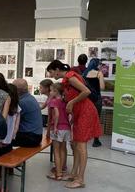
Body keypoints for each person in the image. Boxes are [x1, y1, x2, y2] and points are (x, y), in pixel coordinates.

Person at [46, 60, 101, 189]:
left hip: (85, 112)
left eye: (51, 72)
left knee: (81, 146)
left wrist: (71, 103)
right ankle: (74, 174)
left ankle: (80, 179)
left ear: (57, 69)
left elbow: (86, 91)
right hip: (78, 113)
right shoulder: (66, 79)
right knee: (76, 144)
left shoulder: (70, 77)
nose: (51, 75)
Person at [0, 83, 20, 191]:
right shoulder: (17, 107)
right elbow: (16, 127)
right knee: (4, 163)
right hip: (9, 141)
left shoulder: (1, 106)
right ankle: (4, 187)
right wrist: (12, 137)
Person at [46, 83, 71, 181]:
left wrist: (55, 126)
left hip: (58, 128)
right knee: (63, 149)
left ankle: (58, 173)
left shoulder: (53, 101)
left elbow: (56, 114)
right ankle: (62, 168)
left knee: (56, 151)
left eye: (51, 90)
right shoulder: (65, 101)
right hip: (66, 128)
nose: (50, 92)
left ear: (56, 92)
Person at [12, 78, 43, 147]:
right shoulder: (30, 97)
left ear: (17, 90)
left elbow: (12, 119)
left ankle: (2, 157)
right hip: (36, 135)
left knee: (1, 139)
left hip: (30, 137)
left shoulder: (22, 102)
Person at [83, 58, 105, 147]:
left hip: (87, 99)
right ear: (97, 64)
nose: (101, 66)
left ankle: (84, 137)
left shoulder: (84, 73)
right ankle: (96, 141)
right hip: (96, 100)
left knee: (86, 118)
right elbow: (102, 87)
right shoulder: (99, 73)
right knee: (96, 119)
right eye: (100, 64)